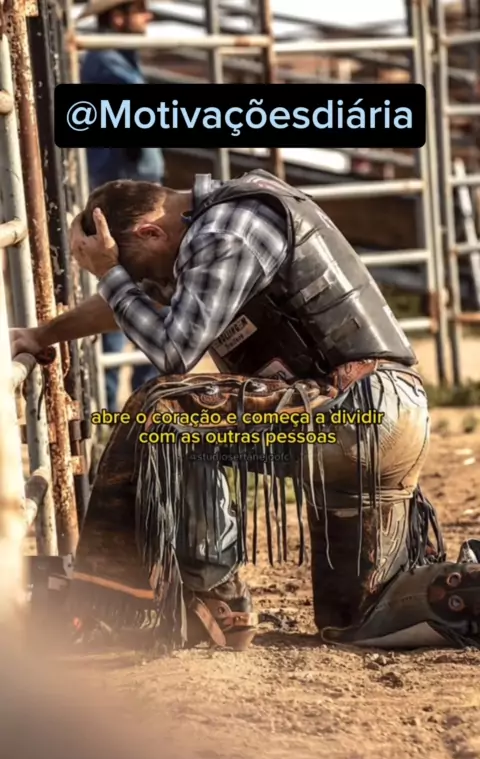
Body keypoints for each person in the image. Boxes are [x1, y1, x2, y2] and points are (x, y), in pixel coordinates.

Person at [10, 170, 480, 652]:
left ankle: (214, 599)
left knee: (169, 412)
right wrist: (42, 335)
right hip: (380, 414)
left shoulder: (226, 229)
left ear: (151, 231)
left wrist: (112, 275)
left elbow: (173, 350)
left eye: (135, 270)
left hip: (355, 412)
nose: (143, 285)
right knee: (360, 618)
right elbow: (135, 303)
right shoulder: (220, 227)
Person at [78, 0, 164, 411]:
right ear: (117, 17)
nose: (149, 17)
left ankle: (140, 400)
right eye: (140, 9)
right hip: (124, 200)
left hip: (129, 193)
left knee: (139, 291)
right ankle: (125, 404)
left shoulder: (116, 57)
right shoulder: (106, 61)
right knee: (132, 290)